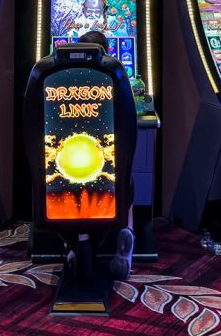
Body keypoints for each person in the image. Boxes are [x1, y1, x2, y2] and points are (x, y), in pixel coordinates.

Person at [76, 30, 135, 280]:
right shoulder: (116, 75)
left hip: (75, 159)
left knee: (71, 186)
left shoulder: (62, 79)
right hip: (109, 159)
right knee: (125, 182)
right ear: (107, 52)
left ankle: (76, 243)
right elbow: (131, 117)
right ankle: (126, 231)